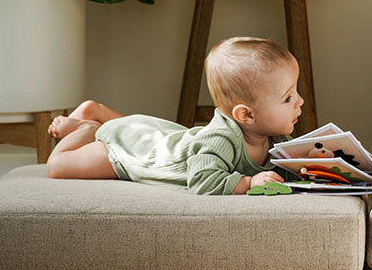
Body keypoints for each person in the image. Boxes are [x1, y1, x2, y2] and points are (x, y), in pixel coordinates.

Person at [46, 37, 304, 195]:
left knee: (141, 130)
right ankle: (89, 128)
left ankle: (101, 115)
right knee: (57, 168)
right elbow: (202, 181)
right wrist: (248, 183)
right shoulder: (221, 139)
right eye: (288, 98)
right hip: (134, 151)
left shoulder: (278, 137)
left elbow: (287, 170)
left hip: (160, 134)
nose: (300, 101)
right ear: (246, 115)